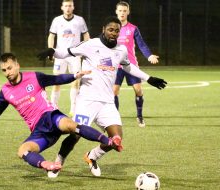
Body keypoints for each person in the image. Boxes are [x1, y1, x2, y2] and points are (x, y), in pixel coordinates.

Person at [37, 16, 167, 178]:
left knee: (116, 139)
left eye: (117, 30)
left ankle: (92, 156)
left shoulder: (121, 50)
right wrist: (53, 51)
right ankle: (59, 161)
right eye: (110, 29)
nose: (113, 33)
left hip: (107, 103)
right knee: (75, 135)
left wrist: (149, 78)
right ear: (103, 29)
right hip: (87, 101)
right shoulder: (91, 44)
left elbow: (128, 67)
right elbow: (68, 52)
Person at [0, 53, 123, 174]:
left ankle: (108, 141)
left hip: (51, 117)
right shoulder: (5, 91)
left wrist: (75, 75)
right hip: (38, 131)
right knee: (22, 150)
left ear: (17, 65)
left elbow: (56, 79)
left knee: (71, 125)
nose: (7, 72)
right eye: (3, 70)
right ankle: (49, 166)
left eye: (9, 67)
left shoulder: (34, 77)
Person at [114, 1, 160, 127]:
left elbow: (141, 44)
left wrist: (149, 55)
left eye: (124, 11)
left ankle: (139, 116)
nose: (122, 13)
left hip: (131, 65)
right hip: (116, 66)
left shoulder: (133, 28)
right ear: (116, 11)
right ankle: (115, 117)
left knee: (138, 90)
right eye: (120, 10)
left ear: (128, 12)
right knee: (114, 91)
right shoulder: (112, 28)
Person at [48, 0, 90, 116]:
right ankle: (53, 107)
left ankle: (73, 109)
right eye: (66, 6)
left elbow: (86, 35)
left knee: (76, 80)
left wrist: (86, 50)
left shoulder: (79, 20)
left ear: (73, 7)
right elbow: (51, 36)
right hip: (59, 55)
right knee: (56, 81)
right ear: (62, 7)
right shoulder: (57, 20)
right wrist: (50, 50)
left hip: (74, 55)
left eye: (70, 6)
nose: (68, 8)